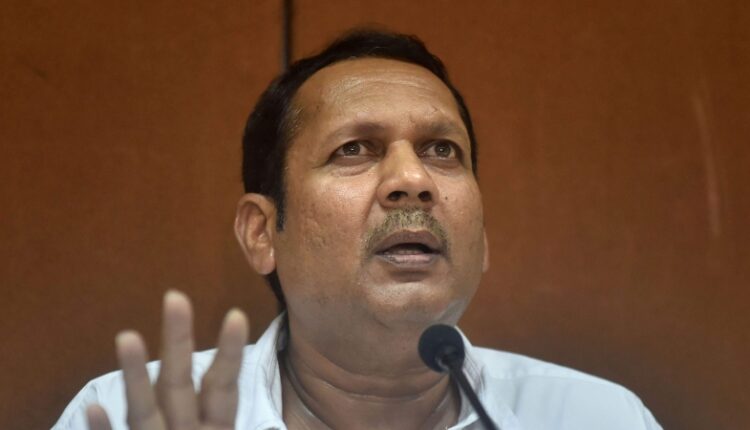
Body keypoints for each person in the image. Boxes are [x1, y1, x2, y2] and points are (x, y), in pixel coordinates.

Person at [54, 30, 662, 430]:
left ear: (482, 239)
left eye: (442, 150)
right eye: (354, 149)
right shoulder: (127, 416)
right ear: (262, 232)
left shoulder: (598, 417)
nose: (413, 180)